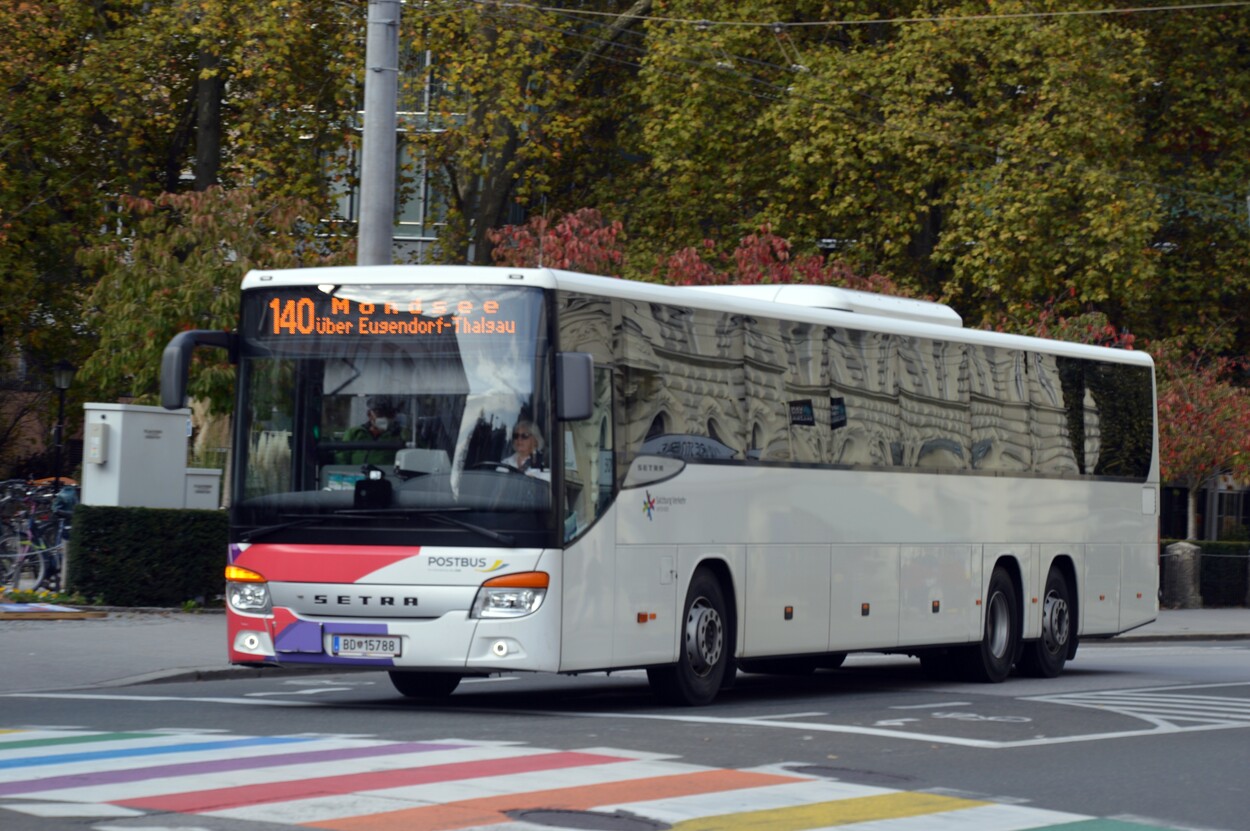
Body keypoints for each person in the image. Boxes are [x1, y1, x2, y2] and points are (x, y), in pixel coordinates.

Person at [337, 397, 404, 466]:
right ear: (369, 414)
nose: (384, 417)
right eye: (380, 414)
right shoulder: (354, 433)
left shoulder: (400, 435)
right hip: (357, 475)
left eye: (389, 414)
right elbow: (341, 459)